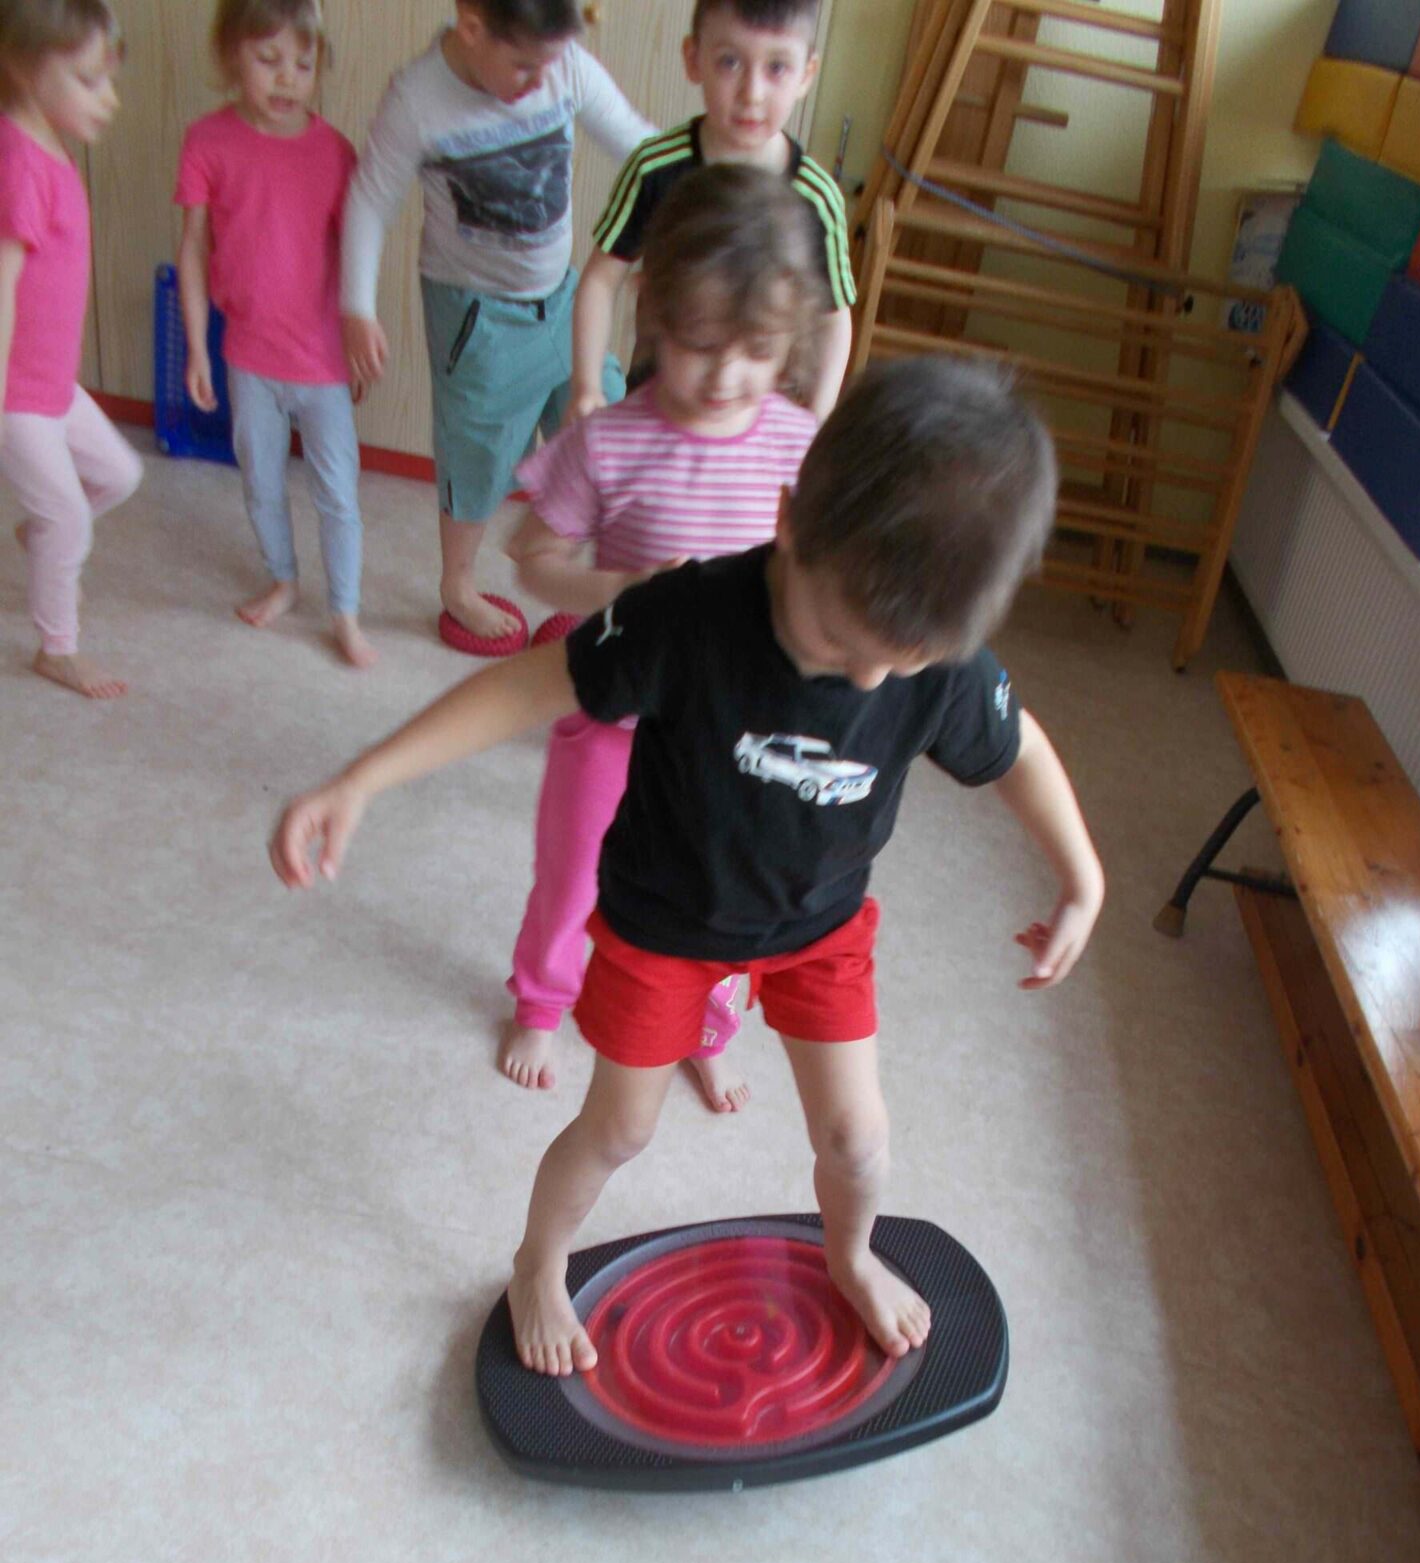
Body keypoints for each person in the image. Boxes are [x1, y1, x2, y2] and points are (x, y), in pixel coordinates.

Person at [269, 356, 1104, 1376]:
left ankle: (849, 1254)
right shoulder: (688, 615)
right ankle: (537, 1262)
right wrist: (364, 777)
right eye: (839, 641)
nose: (869, 680)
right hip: (663, 924)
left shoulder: (937, 656)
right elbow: (528, 686)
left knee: (858, 1140)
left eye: (903, 663)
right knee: (620, 1129)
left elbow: (1018, 750)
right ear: (790, 523)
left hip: (821, 925)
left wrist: (1082, 876)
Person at [499, 163, 827, 1111]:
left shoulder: (798, 444)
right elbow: (531, 559)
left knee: (719, 896)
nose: (725, 376)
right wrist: (624, 588)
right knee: (575, 872)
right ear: (656, 316)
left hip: (735, 731)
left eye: (756, 351)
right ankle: (543, 999)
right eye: (699, 344)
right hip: (614, 708)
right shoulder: (609, 440)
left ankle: (702, 1027)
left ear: (790, 341)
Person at [339, 0, 650, 654]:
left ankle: (584, 583)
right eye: (524, 66)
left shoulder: (563, 66)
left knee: (606, 427)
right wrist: (356, 307)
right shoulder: (419, 99)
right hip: (475, 317)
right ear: (472, 25)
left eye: (551, 62)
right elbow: (370, 201)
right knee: (477, 453)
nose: (541, 80)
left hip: (561, 299)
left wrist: (715, 178)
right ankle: (458, 584)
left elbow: (642, 147)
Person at [176, 0, 373, 669]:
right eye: (268, 60)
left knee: (337, 492)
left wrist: (360, 339)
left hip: (322, 364)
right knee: (260, 482)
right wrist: (197, 347)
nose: (288, 77)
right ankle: (284, 580)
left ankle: (344, 610)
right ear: (232, 58)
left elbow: (357, 258)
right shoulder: (207, 142)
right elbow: (193, 249)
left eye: (304, 64)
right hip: (249, 359)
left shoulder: (336, 154)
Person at [569, 0, 853, 425]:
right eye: (730, 62)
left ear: (806, 75)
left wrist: (819, 416)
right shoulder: (654, 169)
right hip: (659, 405)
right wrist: (587, 386)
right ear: (693, 59)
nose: (751, 94)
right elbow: (601, 279)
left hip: (761, 419)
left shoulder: (817, 197)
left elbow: (834, 319)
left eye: (777, 68)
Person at [0, 0, 141, 700]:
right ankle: (57, 649)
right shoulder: (19, 166)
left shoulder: (50, 149)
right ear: (25, 71)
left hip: (54, 385)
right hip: (17, 394)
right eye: (89, 81)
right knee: (70, 516)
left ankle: (41, 537)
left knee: (120, 475)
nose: (108, 98)